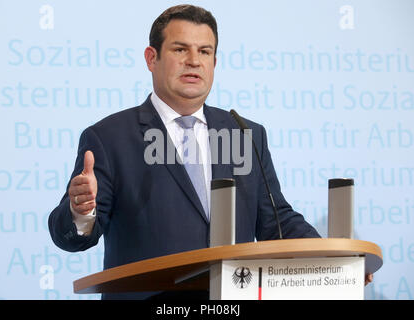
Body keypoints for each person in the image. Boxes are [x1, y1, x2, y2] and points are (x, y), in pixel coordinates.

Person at [49, 4, 365, 300]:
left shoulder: (244, 133)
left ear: (214, 62)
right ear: (151, 58)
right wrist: (81, 210)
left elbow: (276, 223)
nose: (194, 60)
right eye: (180, 49)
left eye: (204, 51)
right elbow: (71, 237)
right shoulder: (109, 137)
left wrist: (333, 258)